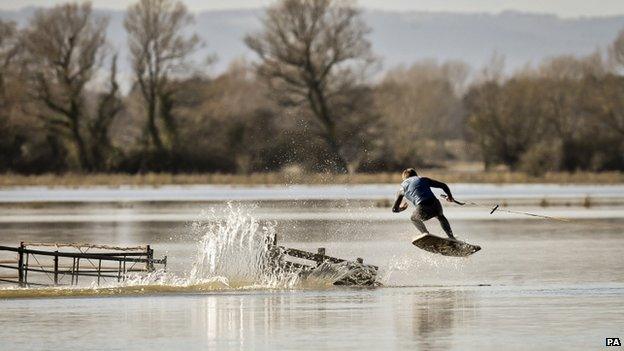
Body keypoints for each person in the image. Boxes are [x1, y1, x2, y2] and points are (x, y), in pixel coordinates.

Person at [392, 168, 457, 240]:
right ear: (416, 175)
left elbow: (394, 209)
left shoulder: (402, 188)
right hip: (436, 205)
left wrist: (401, 209)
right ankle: (451, 237)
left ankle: (426, 235)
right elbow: (443, 185)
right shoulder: (422, 179)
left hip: (423, 208)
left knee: (414, 219)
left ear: (404, 179)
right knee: (440, 217)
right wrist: (450, 197)